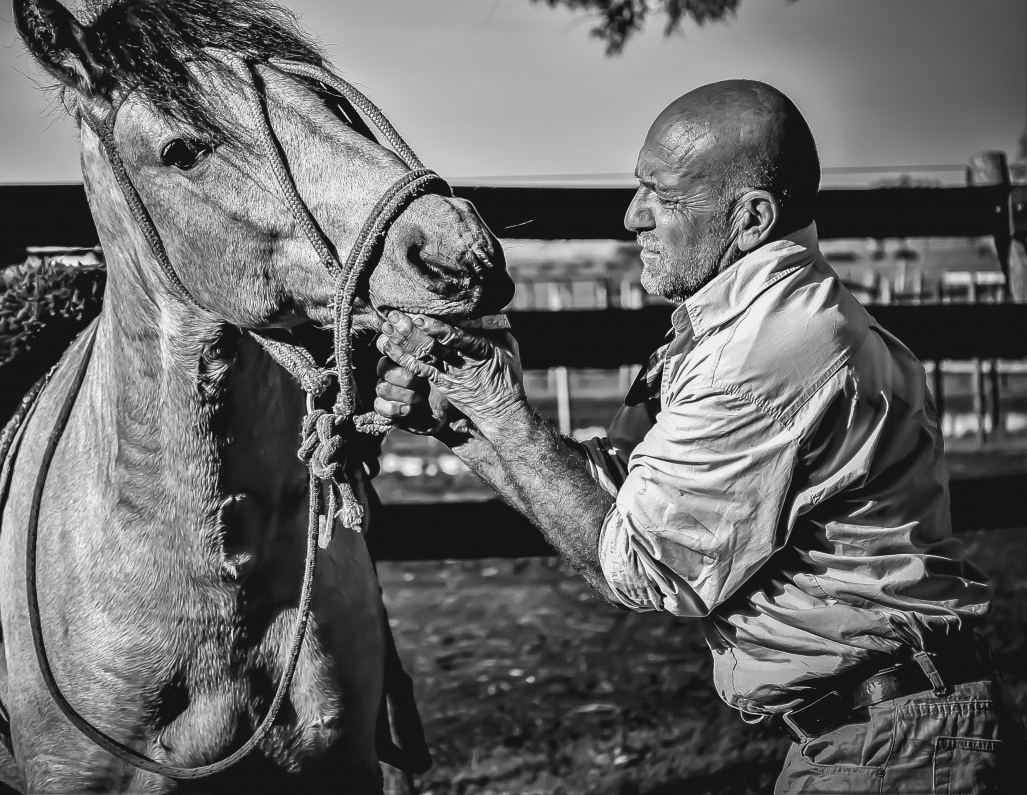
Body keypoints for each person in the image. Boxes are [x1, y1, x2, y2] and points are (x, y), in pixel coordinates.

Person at [373, 79, 1024, 792]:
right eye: (637, 187)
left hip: (894, 750)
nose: (633, 217)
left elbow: (637, 564)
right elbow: (619, 500)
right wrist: (465, 427)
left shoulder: (766, 355)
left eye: (665, 197)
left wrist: (501, 413)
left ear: (750, 217)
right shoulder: (742, 331)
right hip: (878, 732)